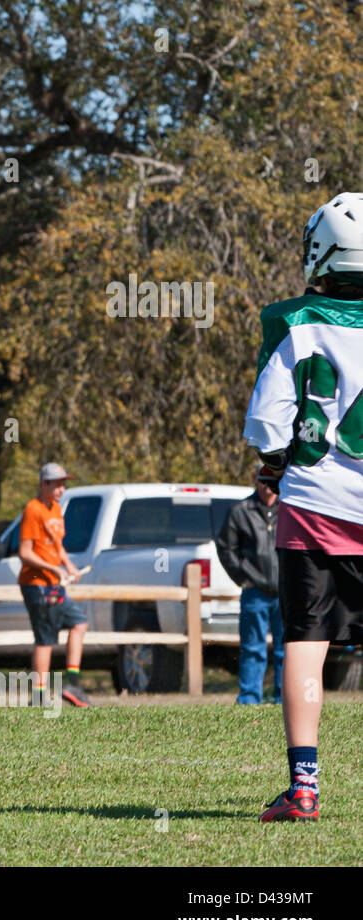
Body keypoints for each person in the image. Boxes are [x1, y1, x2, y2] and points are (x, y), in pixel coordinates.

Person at [245, 192, 363, 822]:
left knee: (305, 643)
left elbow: (268, 424)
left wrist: (270, 469)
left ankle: (305, 787)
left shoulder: (292, 321)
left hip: (314, 506)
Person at [17, 463, 91, 708]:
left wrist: (68, 565)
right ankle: (37, 697)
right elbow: (25, 553)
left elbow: (57, 546)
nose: (61, 488)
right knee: (45, 639)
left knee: (78, 623)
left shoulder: (56, 509)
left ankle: (72, 684)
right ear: (43, 484)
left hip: (54, 585)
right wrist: (52, 568)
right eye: (56, 483)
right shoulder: (33, 509)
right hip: (37, 585)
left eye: (63, 483)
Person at [215, 468, 283, 705]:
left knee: (288, 649)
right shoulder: (241, 511)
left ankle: (284, 697)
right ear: (256, 480)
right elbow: (226, 548)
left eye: (272, 481)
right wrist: (244, 578)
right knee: (253, 648)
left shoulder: (289, 509)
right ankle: (249, 698)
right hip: (255, 592)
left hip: (285, 592)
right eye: (263, 480)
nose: (267, 486)